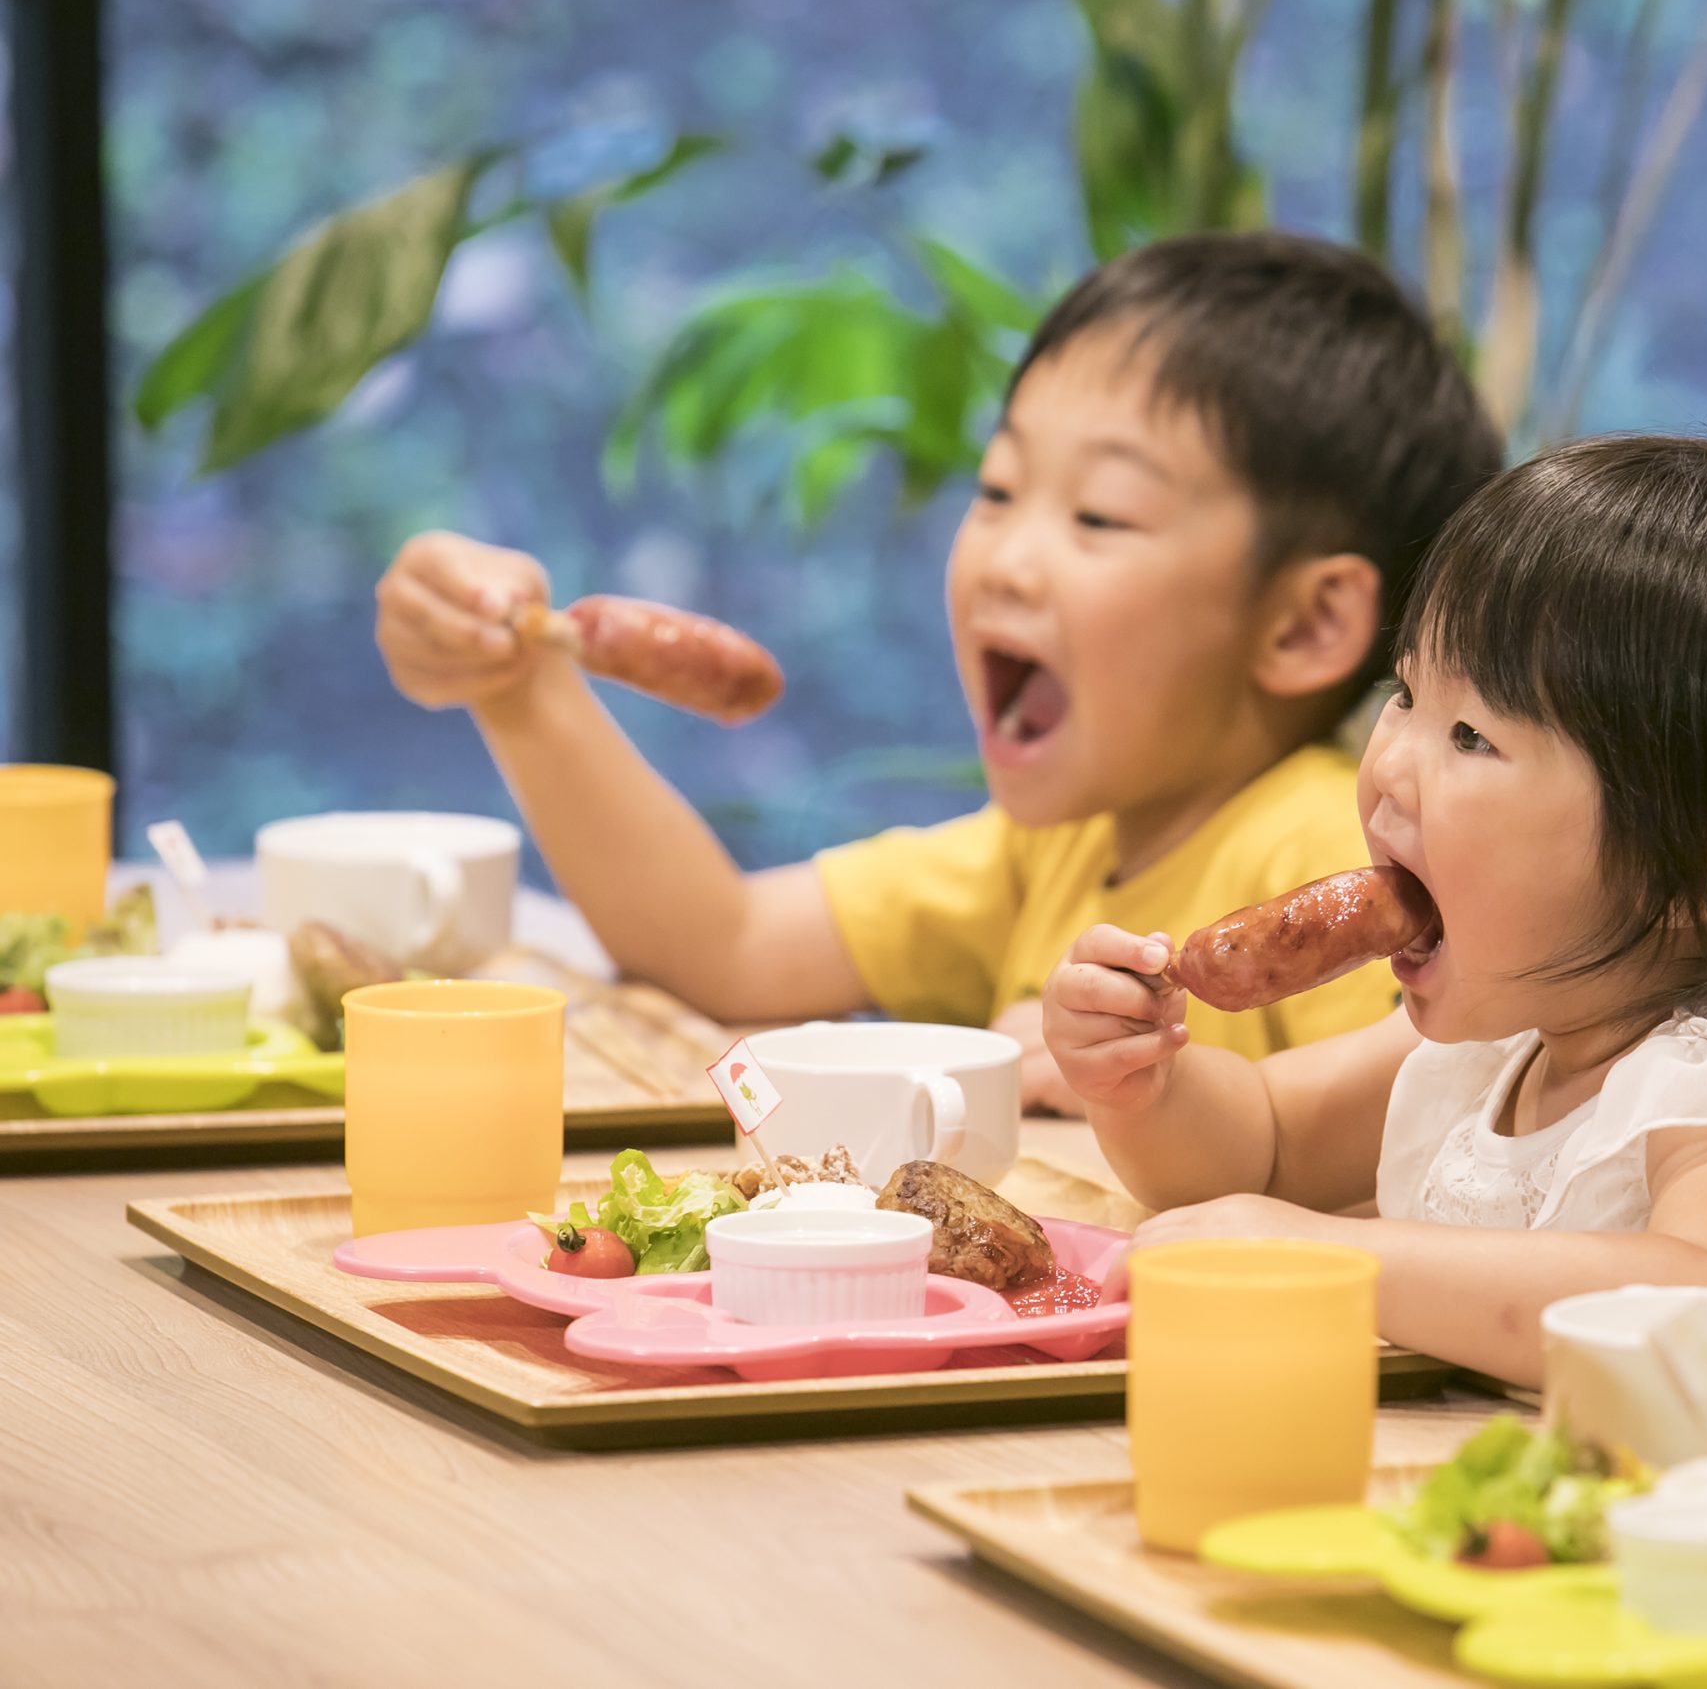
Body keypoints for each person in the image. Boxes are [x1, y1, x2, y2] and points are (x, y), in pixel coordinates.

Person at [1042, 435, 1707, 1455]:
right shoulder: (1504, 1041)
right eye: (1405, 695)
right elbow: (1260, 1140)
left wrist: (1327, 1255)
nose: (1388, 766)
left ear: (1694, 871)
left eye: (1470, 738)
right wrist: (1142, 1086)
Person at [374, 233, 1503, 1109]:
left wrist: (1143, 1092)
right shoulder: (1057, 844)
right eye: (1000, 489)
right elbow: (719, 946)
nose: (1004, 557)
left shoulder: (1331, 849)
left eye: (1099, 515)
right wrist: (518, 690)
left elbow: (1433, 1140)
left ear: (1306, 626)